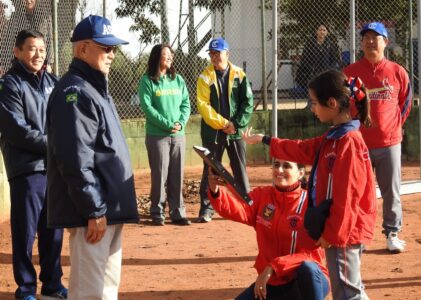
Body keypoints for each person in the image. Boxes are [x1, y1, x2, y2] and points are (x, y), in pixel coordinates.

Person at [243, 70, 377, 300]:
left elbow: (349, 197)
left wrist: (334, 233)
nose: (312, 108)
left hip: (345, 230)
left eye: (314, 103)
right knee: (349, 287)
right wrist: (266, 140)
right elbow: (302, 149)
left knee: (347, 291)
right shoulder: (335, 137)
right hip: (342, 228)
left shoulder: (348, 142)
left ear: (332, 103)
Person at [46, 15, 139, 300]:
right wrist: (94, 209)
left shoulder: (96, 89)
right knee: (89, 293)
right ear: (82, 49)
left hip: (109, 208)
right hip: (94, 213)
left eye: (113, 49)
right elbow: (75, 159)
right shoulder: (74, 91)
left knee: (106, 290)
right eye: (105, 48)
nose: (111, 54)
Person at [0, 29, 66, 300]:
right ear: (17, 52)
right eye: (31, 49)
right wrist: (56, 144)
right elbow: (17, 129)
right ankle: (26, 288)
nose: (38, 54)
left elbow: (66, 119)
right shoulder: (9, 84)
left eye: (41, 49)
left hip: (54, 168)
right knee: (25, 232)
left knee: (54, 231)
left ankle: (52, 284)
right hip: (27, 169)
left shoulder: (53, 82)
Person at [207, 159, 330, 300]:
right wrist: (216, 191)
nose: (279, 170)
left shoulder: (311, 203)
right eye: (276, 165)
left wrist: (274, 266)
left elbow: (311, 255)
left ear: (300, 173)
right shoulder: (262, 195)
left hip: (303, 283)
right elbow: (238, 210)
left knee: (308, 269)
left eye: (287, 166)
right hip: (272, 283)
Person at [344, 22, 412, 253]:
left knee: (391, 191)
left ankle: (392, 233)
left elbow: (406, 102)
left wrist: (394, 127)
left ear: (386, 42)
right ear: (361, 43)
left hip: (389, 143)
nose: (371, 41)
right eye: (366, 37)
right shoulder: (350, 72)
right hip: (359, 144)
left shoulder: (397, 71)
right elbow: (344, 106)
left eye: (376, 37)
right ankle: (359, 236)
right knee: (358, 192)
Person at [196, 37, 254, 223]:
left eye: (217, 53)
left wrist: (235, 124)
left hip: (235, 131)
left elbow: (248, 102)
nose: (214, 57)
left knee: (239, 168)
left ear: (227, 54)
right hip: (213, 132)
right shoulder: (205, 76)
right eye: (211, 54)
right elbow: (203, 105)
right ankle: (206, 209)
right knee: (211, 170)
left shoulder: (239, 74)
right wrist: (223, 124)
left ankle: (246, 206)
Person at [138, 44, 191, 226]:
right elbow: (148, 108)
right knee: (160, 174)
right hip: (157, 135)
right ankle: (157, 212)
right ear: (156, 57)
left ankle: (177, 212)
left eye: (171, 55)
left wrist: (180, 122)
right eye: (165, 54)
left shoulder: (178, 80)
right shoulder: (147, 81)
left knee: (177, 174)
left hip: (178, 135)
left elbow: (186, 104)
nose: (170, 57)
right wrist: (168, 124)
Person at [1, 0, 53, 73]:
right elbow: (7, 40)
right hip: (21, 59)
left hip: (37, 58)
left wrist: (49, 63)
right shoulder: (15, 17)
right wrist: (3, 63)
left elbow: (49, 40)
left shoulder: (45, 17)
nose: (28, 1)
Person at [296, 24, 341, 89]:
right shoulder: (310, 44)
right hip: (313, 73)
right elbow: (304, 59)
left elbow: (335, 59)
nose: (322, 32)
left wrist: (328, 69)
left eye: (324, 30)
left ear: (327, 32)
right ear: (316, 31)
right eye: (320, 30)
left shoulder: (331, 44)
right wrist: (311, 68)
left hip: (326, 73)